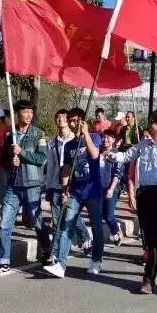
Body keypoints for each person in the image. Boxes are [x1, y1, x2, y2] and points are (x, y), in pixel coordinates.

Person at [107, 109, 157, 295]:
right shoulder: (144, 145)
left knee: (155, 238)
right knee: (147, 237)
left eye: (152, 122)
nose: (149, 125)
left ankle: (148, 280)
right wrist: (112, 155)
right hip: (144, 194)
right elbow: (126, 156)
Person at [45, 108, 104, 277]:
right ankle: (61, 264)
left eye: (77, 120)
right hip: (75, 191)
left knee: (96, 227)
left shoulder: (94, 137)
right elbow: (66, 169)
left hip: (93, 190)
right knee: (66, 226)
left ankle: (96, 260)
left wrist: (85, 135)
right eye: (71, 120)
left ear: (83, 121)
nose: (73, 123)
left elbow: (95, 155)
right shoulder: (69, 145)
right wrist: (64, 190)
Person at [0, 100, 49, 275]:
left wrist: (22, 153)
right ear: (17, 114)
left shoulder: (39, 134)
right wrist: (12, 160)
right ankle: (3, 262)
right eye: (25, 112)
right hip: (13, 185)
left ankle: (47, 251)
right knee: (5, 223)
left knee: (37, 221)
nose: (29, 115)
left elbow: (42, 158)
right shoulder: (11, 135)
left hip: (32, 184)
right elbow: (3, 159)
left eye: (31, 112)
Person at [43, 109, 91, 254]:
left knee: (71, 215)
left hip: (72, 185)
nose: (61, 120)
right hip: (56, 184)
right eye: (58, 118)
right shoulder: (52, 142)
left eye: (64, 117)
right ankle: (56, 251)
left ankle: (85, 238)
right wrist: (48, 186)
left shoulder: (77, 140)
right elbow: (51, 166)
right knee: (57, 219)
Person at [100, 129, 124, 246]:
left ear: (114, 140)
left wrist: (111, 189)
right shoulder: (98, 152)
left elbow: (117, 174)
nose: (105, 139)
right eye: (104, 137)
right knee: (102, 214)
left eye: (108, 137)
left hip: (112, 189)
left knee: (109, 216)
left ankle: (116, 230)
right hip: (99, 189)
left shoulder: (117, 155)